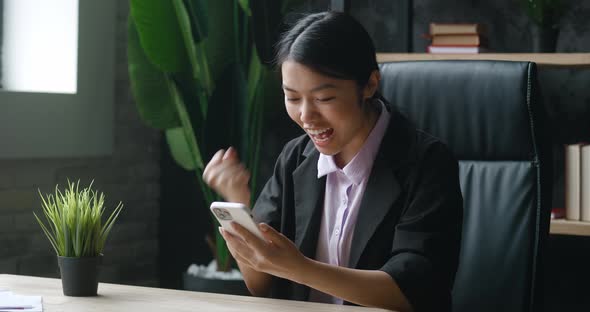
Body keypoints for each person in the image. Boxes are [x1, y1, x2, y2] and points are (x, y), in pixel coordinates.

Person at [202, 11, 463, 312]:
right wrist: (239, 205)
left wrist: (300, 268)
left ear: (369, 85)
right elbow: (261, 284)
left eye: (324, 99)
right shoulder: (295, 159)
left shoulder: (427, 163)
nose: (305, 116)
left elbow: (412, 293)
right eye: (292, 97)